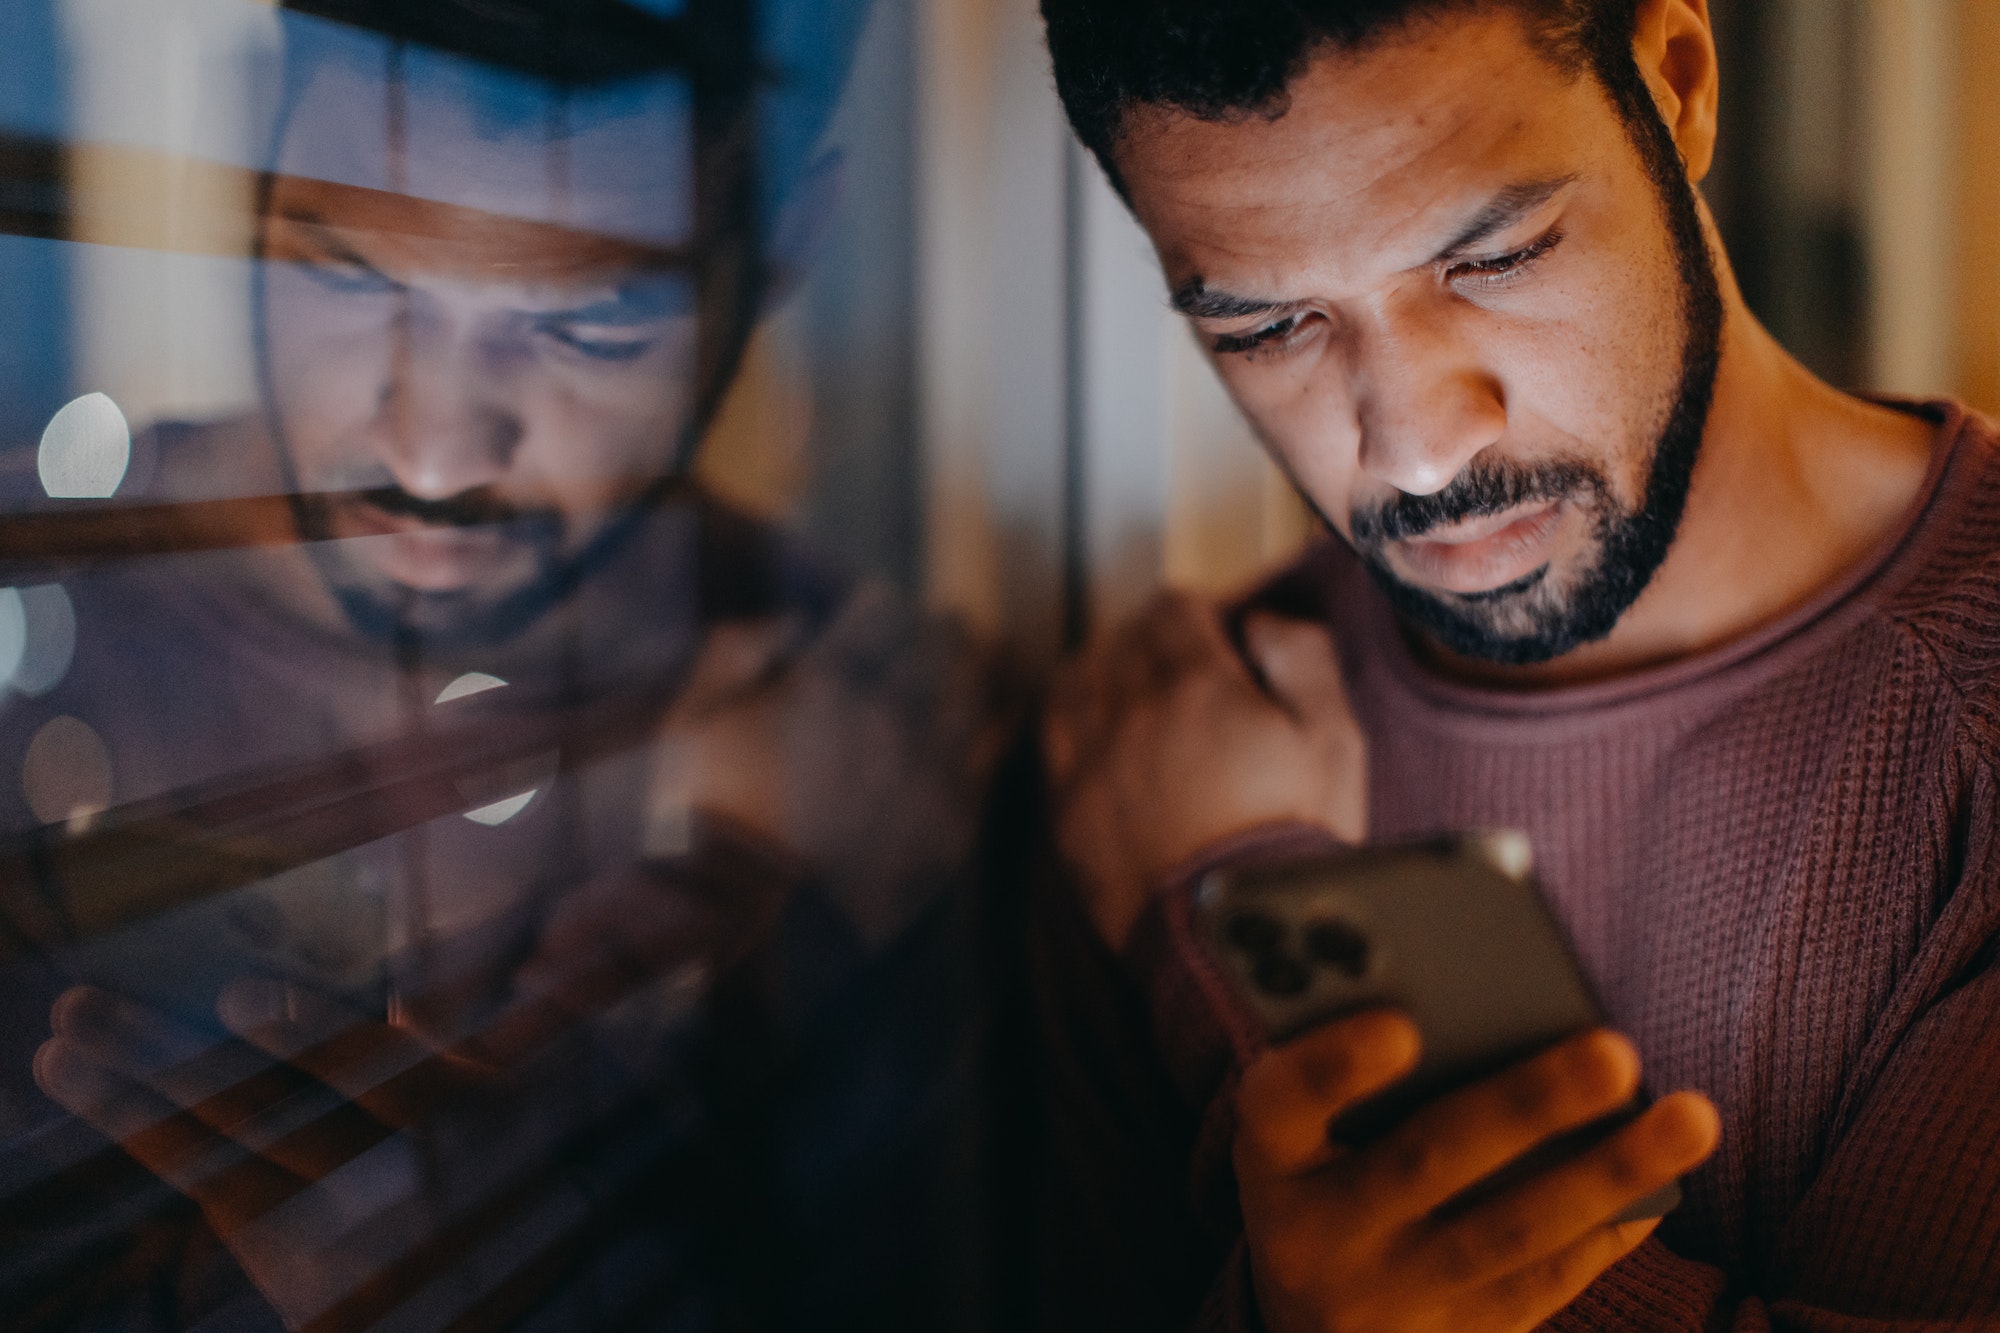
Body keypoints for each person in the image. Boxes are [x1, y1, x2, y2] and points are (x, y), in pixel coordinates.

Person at [0, 2, 1002, 1329]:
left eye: (590, 329)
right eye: (352, 275)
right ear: (245, 153)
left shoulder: (880, 754)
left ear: (780, 251)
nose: (433, 454)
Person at [1029, 0, 2000, 1328]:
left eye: (1494, 255)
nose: (1419, 449)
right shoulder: (1159, 742)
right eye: (1267, 330)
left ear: (1678, 80)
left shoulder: (1181, 835)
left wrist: (1250, 918)